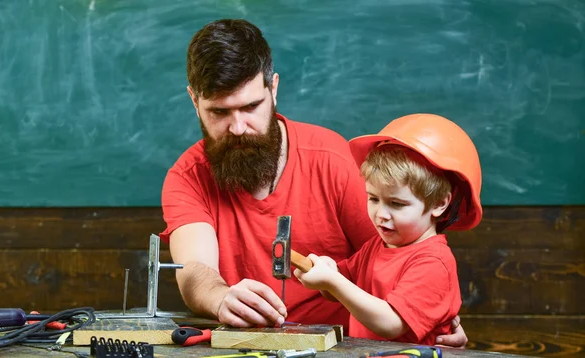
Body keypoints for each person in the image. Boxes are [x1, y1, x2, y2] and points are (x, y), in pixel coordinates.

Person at [159, 18, 467, 346]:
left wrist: (435, 321)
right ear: (195, 101)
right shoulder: (187, 177)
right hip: (246, 347)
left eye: (251, 107)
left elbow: (404, 255)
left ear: (273, 88)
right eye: (219, 113)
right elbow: (193, 269)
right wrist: (219, 298)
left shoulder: (332, 159)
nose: (238, 127)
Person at [294, 113, 482, 345]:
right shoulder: (377, 246)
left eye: (397, 204)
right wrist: (325, 270)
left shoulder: (434, 262)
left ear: (439, 203)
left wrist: (332, 280)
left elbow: (391, 323)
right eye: (373, 199)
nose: (381, 214)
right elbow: (339, 287)